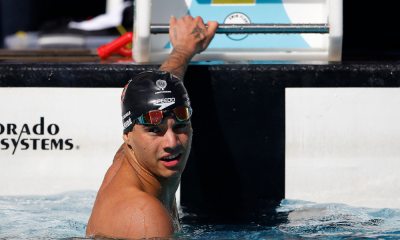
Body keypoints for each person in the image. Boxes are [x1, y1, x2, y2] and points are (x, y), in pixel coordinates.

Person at [86, 15, 218, 239]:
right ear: (128, 135)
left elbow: (165, 89)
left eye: (179, 127)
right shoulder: (147, 216)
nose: (172, 143)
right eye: (154, 130)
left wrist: (184, 48)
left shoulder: (131, 152)